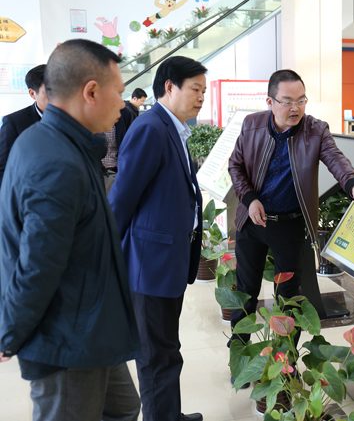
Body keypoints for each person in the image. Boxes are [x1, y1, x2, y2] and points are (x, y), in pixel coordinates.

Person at [0, 39, 141, 421]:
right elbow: (38, 264)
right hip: (65, 336)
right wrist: (9, 332)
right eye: (119, 92)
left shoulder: (62, 143)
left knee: (124, 408)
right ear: (91, 92)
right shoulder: (57, 162)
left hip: (90, 322)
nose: (124, 104)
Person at [228, 69, 354, 355]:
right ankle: (238, 353)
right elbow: (235, 165)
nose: (295, 108)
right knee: (245, 293)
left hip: (290, 227)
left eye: (301, 100)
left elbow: (336, 160)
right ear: (270, 102)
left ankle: (285, 362)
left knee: (288, 298)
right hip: (252, 221)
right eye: (287, 101)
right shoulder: (252, 125)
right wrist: (249, 199)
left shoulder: (316, 130)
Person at [109, 56, 205, 421]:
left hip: (167, 261)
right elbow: (122, 198)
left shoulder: (172, 127)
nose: (201, 97)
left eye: (204, 90)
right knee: (155, 356)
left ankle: (169, 414)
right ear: (169, 87)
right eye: (195, 89)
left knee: (166, 348)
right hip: (149, 266)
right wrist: (108, 256)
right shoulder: (150, 128)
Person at [0, 64, 48, 187]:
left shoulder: (74, 118)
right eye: (49, 92)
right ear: (32, 94)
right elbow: (3, 168)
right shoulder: (14, 122)